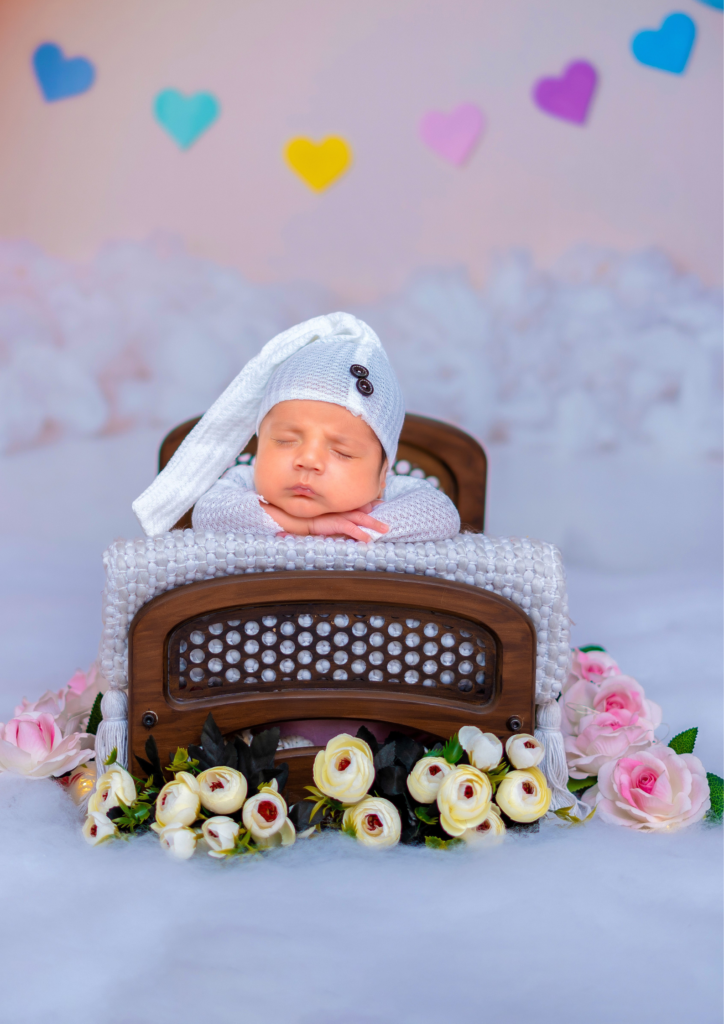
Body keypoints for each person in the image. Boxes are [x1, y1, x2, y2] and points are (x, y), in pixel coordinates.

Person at [133, 312, 460, 542]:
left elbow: (442, 516)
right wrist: (308, 526)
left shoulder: (388, 496)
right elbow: (210, 513)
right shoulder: (246, 485)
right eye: (287, 440)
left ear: (381, 474)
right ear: (259, 445)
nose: (308, 461)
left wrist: (353, 527)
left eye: (341, 452)